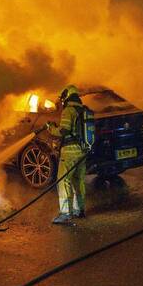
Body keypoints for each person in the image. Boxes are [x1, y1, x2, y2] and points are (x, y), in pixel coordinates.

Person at [47, 84, 87, 225]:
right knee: (78, 180)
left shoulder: (68, 111)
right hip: (82, 152)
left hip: (70, 152)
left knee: (63, 181)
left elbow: (64, 131)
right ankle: (79, 209)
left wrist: (51, 128)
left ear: (67, 96)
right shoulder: (82, 110)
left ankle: (65, 213)